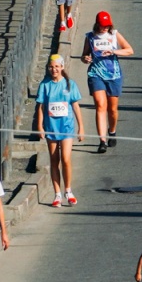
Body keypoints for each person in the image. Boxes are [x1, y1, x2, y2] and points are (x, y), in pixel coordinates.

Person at [32, 53, 83, 206]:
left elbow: (75, 105)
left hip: (66, 127)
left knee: (66, 159)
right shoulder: (45, 85)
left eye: (56, 67)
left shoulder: (69, 84)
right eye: (51, 67)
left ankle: (68, 190)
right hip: (51, 128)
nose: (54, 70)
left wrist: (81, 126)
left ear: (62, 67)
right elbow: (41, 106)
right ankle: (57, 194)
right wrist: (39, 126)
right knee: (54, 160)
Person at [81, 10, 133, 152]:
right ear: (97, 24)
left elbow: (129, 50)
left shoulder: (114, 34)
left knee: (112, 109)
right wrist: (86, 58)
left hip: (113, 75)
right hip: (96, 73)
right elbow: (84, 55)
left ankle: (112, 131)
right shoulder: (90, 37)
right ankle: (102, 141)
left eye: (107, 25)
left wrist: (114, 51)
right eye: (103, 25)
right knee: (100, 105)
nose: (105, 28)